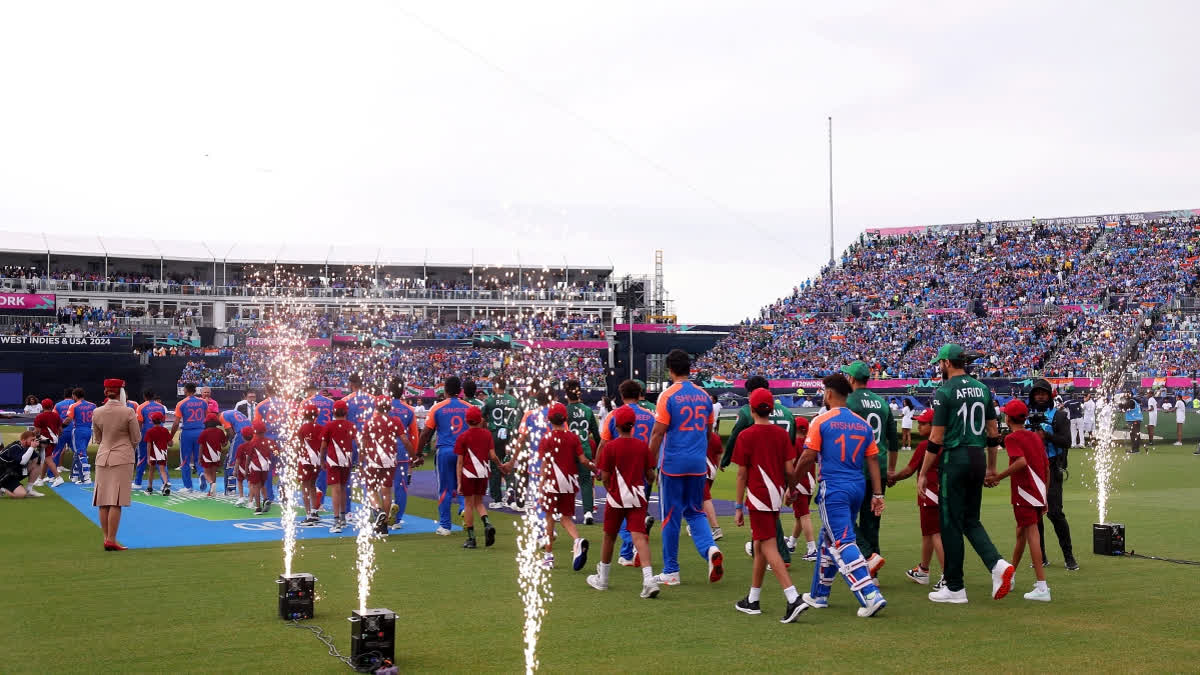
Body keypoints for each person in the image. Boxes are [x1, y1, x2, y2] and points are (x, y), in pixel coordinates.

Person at [917, 344, 1014, 604]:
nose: (939, 367)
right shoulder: (982, 389)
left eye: (940, 363)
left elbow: (936, 437)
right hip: (977, 457)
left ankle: (956, 587)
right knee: (971, 520)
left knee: (949, 524)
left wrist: (924, 472)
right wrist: (992, 467)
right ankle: (997, 565)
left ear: (948, 363)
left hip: (955, 457)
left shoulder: (945, 391)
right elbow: (993, 433)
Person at [794, 374, 887, 618]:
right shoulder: (862, 423)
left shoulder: (821, 420)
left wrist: (792, 484)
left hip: (833, 487)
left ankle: (870, 594)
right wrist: (878, 493)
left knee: (843, 541)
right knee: (828, 538)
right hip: (857, 487)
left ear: (828, 394)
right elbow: (873, 459)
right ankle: (819, 594)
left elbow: (807, 457)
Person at [731, 388, 805, 623]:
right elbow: (790, 470)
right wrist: (791, 490)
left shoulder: (746, 436)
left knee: (769, 546)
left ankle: (793, 597)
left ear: (751, 409)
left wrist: (737, 506)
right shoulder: (782, 435)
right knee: (760, 545)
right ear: (771, 409)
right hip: (774, 496)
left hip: (758, 496)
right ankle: (753, 599)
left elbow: (742, 475)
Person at [650, 349, 723, 587]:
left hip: (673, 463)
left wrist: (649, 462)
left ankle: (671, 570)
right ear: (690, 369)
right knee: (695, 511)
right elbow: (709, 432)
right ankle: (710, 549)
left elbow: (658, 432)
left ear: (669, 370)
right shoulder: (704, 397)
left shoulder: (667, 396)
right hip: (697, 463)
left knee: (670, 516)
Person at [720, 375, 794, 568]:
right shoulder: (786, 413)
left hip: (761, 469)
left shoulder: (747, 412)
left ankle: (778, 553)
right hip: (782, 468)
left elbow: (736, 435)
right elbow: (791, 442)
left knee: (763, 511)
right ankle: (760, 549)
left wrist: (726, 459)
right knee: (771, 511)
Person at [587, 405, 660, 598]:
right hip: (637, 496)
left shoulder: (610, 447)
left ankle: (603, 579)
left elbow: (604, 475)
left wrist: (611, 487)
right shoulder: (642, 446)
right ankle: (648, 580)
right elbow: (650, 474)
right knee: (639, 537)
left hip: (616, 497)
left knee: (609, 536)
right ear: (633, 425)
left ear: (616, 426)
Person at [988, 400, 1052, 602]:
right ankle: (1011, 575)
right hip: (1037, 492)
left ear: (1007, 418)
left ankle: (1042, 586)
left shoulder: (1012, 438)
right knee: (1021, 534)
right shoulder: (1034, 436)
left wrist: (997, 477)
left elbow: (1021, 462)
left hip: (1025, 493)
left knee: (1031, 534)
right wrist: (1044, 496)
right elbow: (1046, 467)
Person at [843, 360, 899, 581]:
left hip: (855, 468)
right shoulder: (882, 403)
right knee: (872, 520)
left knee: (843, 517)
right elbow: (893, 442)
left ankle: (867, 556)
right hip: (880, 467)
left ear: (852, 379)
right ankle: (872, 570)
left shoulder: (848, 402)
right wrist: (891, 470)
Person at [598, 379, 657, 567]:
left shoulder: (615, 415)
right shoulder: (650, 415)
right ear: (639, 394)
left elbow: (604, 443)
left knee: (619, 514)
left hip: (620, 472)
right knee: (637, 512)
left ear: (622, 395)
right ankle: (629, 551)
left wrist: (599, 467)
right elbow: (657, 439)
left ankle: (627, 550)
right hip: (643, 468)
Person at [888, 409, 944, 590]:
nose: (918, 426)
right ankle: (923, 570)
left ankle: (948, 576)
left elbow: (909, 470)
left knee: (935, 533)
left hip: (929, 492)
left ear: (933, 425)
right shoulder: (948, 443)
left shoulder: (925, 446)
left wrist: (892, 478)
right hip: (943, 492)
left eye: (923, 423)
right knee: (928, 532)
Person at [1027, 379, 1077, 571]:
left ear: (1050, 395)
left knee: (1055, 513)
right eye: (1037, 393)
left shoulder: (1059, 416)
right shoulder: (1027, 416)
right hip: (1032, 469)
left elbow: (1066, 441)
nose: (1040, 396)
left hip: (1052, 467)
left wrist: (1046, 436)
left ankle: (1069, 557)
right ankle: (1041, 557)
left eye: (1043, 393)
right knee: (1035, 516)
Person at [537, 403, 593, 570]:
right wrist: (595, 468)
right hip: (569, 482)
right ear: (565, 419)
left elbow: (545, 465)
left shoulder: (546, 438)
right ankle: (577, 540)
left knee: (549, 518)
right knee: (566, 517)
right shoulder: (573, 437)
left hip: (552, 482)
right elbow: (583, 460)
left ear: (549, 419)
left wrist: (541, 484)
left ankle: (548, 556)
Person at [417, 375, 472, 535]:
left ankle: (445, 526)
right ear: (460, 391)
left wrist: (419, 453)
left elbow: (426, 433)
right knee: (463, 486)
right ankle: (463, 511)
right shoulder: (468, 407)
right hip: (464, 452)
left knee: (445, 489)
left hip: (445, 451)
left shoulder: (437, 407)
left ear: (445, 390)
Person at [91, 378, 141, 551]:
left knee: (103, 500)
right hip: (123, 457)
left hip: (103, 456)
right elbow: (136, 437)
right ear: (121, 392)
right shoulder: (128, 412)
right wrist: (127, 447)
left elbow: (97, 438)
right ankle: (111, 539)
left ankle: (107, 538)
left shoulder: (97, 412)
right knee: (116, 501)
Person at [454, 406, 504, 548]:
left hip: (468, 473)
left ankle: (471, 538)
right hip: (483, 472)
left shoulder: (462, 437)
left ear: (466, 420)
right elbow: (493, 456)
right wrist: (500, 465)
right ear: (480, 419)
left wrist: (458, 483)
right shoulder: (487, 434)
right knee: (479, 502)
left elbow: (460, 462)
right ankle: (487, 523)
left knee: (468, 504)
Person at [361, 396, 407, 535]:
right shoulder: (395, 421)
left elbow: (363, 445)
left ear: (376, 407)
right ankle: (384, 527)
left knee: (371, 489)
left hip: (373, 460)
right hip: (390, 460)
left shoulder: (369, 422)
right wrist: (415, 455)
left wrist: (360, 461)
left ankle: (378, 510)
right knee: (386, 492)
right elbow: (405, 440)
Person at [564, 380, 600, 524]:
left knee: (566, 481)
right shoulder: (587, 410)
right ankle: (588, 513)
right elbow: (596, 435)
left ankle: (566, 512)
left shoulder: (564, 410)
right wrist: (598, 453)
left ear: (566, 394)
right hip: (584, 449)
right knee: (586, 482)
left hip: (568, 451)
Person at [482, 377, 521, 509]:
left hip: (495, 434)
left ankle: (497, 499)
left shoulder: (490, 400)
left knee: (494, 465)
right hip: (510, 435)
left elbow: (483, 417)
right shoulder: (513, 400)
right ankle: (511, 496)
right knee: (510, 465)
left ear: (495, 386)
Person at [785, 416, 818, 562]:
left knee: (804, 515)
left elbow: (791, 465)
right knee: (799, 515)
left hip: (799, 483)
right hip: (810, 482)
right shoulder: (809, 442)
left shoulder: (794, 443)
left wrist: (788, 486)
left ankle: (812, 549)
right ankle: (792, 543)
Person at [387, 379, 419, 528]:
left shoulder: (382, 407)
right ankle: (398, 520)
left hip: (384, 451)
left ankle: (383, 514)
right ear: (403, 392)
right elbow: (414, 435)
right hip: (402, 452)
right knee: (401, 486)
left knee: (383, 485)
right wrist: (414, 455)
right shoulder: (409, 410)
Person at [321, 400, 356, 532]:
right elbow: (358, 443)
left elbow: (323, 446)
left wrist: (321, 460)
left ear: (333, 412)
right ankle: (343, 517)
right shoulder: (351, 425)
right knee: (342, 488)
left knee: (336, 489)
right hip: (346, 460)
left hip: (334, 460)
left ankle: (336, 521)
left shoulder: (329, 426)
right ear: (346, 411)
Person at [255, 384, 290, 508]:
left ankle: (269, 496)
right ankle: (284, 493)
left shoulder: (260, 406)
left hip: (268, 441)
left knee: (267, 469)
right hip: (282, 441)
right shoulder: (285, 404)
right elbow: (290, 423)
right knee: (283, 468)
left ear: (266, 391)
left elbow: (257, 426)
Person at [171, 382, 210, 493]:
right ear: (195, 390)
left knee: (185, 460)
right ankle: (201, 472)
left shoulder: (181, 403)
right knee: (199, 457)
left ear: (185, 390)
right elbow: (208, 418)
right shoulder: (203, 402)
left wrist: (170, 436)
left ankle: (188, 486)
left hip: (187, 432)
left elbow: (176, 423)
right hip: (200, 431)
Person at [294, 404, 324, 525]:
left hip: (305, 461)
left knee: (305, 487)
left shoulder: (302, 428)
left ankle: (308, 515)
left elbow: (299, 446)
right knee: (312, 485)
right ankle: (314, 511)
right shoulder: (321, 428)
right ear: (316, 415)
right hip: (317, 460)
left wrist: (296, 457)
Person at [133, 391, 166, 491]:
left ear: (144, 397)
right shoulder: (161, 407)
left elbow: (139, 423)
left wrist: (137, 436)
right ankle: (165, 481)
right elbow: (163, 421)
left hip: (146, 435)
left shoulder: (141, 407)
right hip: (159, 435)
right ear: (154, 396)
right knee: (161, 459)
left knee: (142, 458)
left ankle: (138, 482)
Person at [219, 406, 251, 500]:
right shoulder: (231, 412)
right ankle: (252, 489)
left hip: (240, 434)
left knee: (231, 461)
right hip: (249, 432)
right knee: (247, 460)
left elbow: (231, 433)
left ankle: (230, 489)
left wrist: (229, 444)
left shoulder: (222, 417)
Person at [66, 388, 97, 484]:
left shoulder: (73, 405)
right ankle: (74, 476)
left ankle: (86, 477)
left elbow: (68, 419)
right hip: (88, 430)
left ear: (74, 395)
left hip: (78, 430)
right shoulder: (93, 405)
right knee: (79, 452)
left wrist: (61, 427)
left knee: (80, 453)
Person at [0, 431, 43, 499]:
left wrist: (42, 448)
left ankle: (29, 489)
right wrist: (32, 447)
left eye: (34, 440)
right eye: (31, 440)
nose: (33, 442)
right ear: (23, 440)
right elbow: (22, 462)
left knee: (37, 461)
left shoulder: (27, 447)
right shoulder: (15, 447)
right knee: (21, 494)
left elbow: (39, 461)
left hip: (12, 473)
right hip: (3, 475)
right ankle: (3, 489)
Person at [32, 399, 65, 487]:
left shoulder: (40, 416)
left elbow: (37, 431)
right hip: (54, 441)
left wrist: (31, 437)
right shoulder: (56, 416)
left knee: (47, 459)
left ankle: (58, 478)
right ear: (51, 406)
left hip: (45, 441)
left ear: (42, 406)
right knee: (46, 460)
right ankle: (41, 479)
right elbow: (61, 430)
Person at [244, 420, 272, 514]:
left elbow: (248, 457)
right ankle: (265, 499)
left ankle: (258, 507)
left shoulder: (253, 442)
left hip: (255, 467)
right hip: (265, 467)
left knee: (256, 486)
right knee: (263, 484)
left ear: (254, 431)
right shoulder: (269, 441)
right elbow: (275, 452)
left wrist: (246, 468)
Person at [198, 413, 227, 498]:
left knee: (206, 472)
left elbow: (201, 446)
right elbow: (224, 444)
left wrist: (199, 458)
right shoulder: (220, 432)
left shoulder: (204, 433)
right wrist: (227, 438)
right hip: (217, 455)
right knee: (213, 472)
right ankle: (212, 491)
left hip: (206, 455)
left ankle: (211, 484)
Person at [143, 411, 172, 495]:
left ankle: (149, 488)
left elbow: (148, 445)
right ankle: (166, 483)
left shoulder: (150, 431)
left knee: (151, 471)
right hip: (162, 453)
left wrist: (148, 457)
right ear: (161, 420)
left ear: (152, 421)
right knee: (162, 470)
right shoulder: (165, 430)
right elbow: (170, 443)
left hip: (153, 453)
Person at [52, 388, 75, 484]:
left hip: (61, 431)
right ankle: (77, 474)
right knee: (78, 453)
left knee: (56, 452)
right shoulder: (76, 404)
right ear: (73, 395)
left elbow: (54, 417)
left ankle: (51, 475)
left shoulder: (58, 405)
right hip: (74, 430)